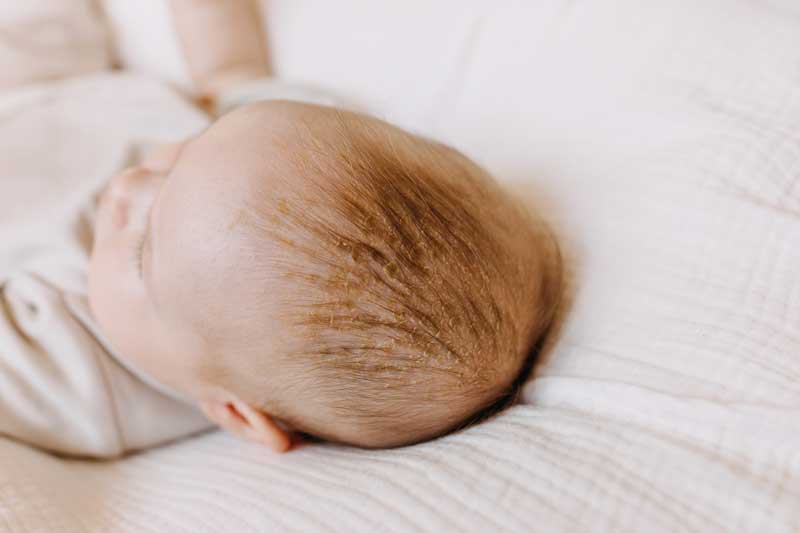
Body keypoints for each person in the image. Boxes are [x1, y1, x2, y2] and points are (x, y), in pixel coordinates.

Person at [0, 0, 563, 457]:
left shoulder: (80, 379)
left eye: (143, 251)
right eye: (187, 153)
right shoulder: (285, 153)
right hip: (67, 76)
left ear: (238, 415)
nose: (125, 186)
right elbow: (232, 73)